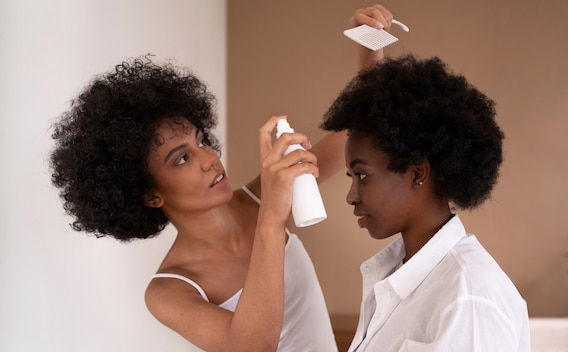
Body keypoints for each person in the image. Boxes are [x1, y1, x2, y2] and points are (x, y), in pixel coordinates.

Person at [49, 5, 398, 351]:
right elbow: (252, 346)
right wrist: (272, 217)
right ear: (150, 195)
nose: (209, 159)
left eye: (200, 141)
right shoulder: (170, 290)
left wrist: (369, 47)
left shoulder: (259, 198)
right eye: (182, 158)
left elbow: (360, 129)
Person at [321, 54, 531, 351]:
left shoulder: (468, 300)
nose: (351, 196)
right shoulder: (397, 276)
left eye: (362, 175)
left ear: (417, 172)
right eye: (350, 177)